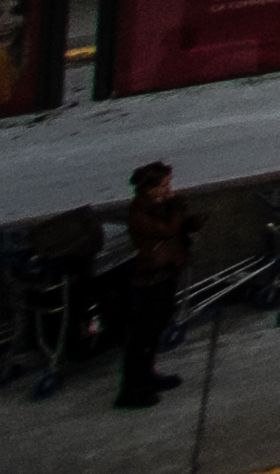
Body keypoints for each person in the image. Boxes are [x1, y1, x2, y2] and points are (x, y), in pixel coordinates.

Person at [108, 160, 189, 407]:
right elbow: (167, 230)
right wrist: (177, 208)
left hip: (165, 272)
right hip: (150, 277)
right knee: (144, 333)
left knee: (155, 328)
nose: (169, 188)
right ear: (151, 188)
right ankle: (131, 388)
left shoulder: (156, 207)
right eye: (165, 184)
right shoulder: (141, 213)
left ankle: (148, 375)